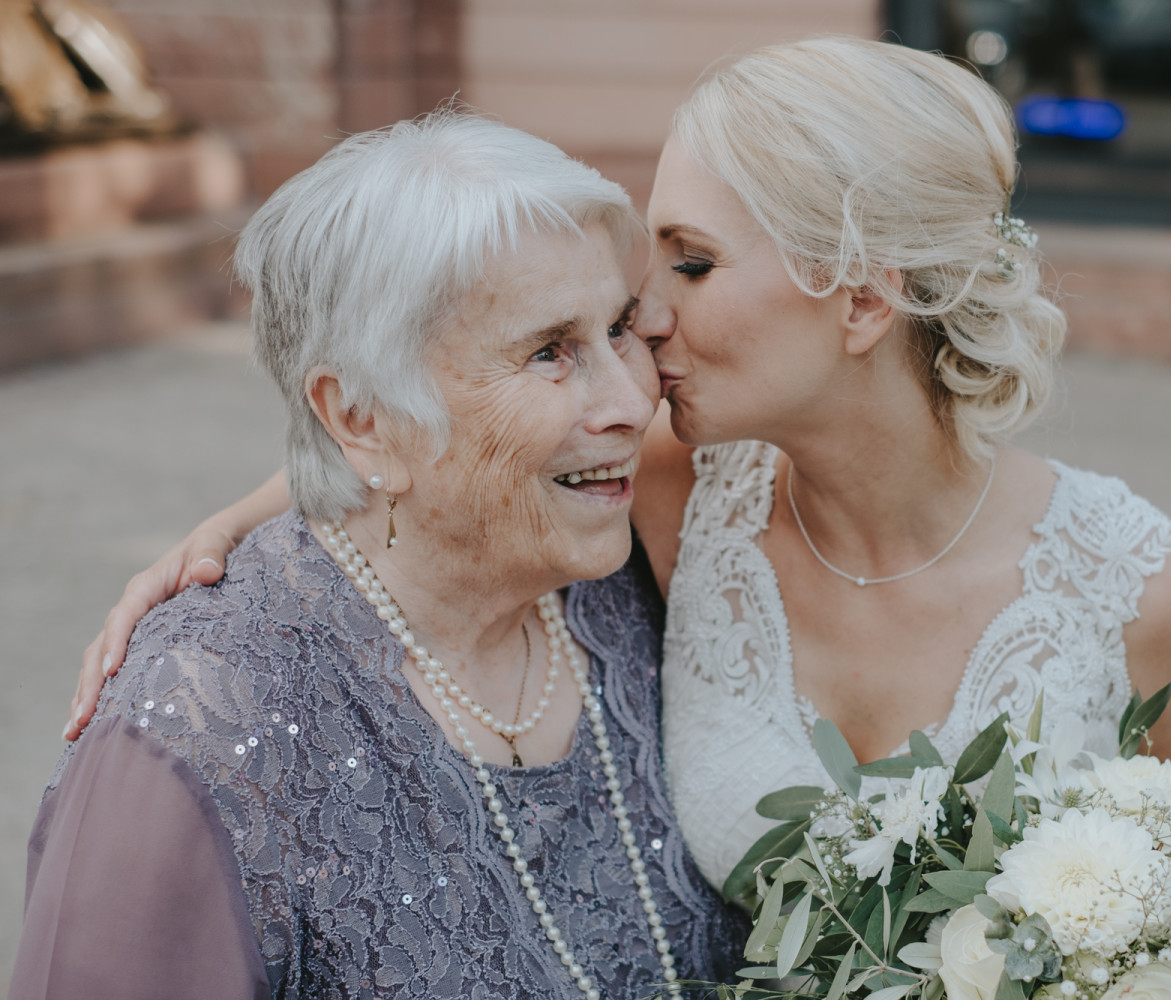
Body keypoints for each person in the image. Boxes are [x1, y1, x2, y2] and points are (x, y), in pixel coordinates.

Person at [66, 38, 1171, 896]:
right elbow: (443, 442)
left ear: (866, 299)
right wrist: (224, 528)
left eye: (693, 263)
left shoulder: (1137, 589)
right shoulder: (682, 494)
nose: (644, 318)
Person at [15, 112, 743, 998]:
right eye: (550, 351)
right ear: (361, 417)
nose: (634, 400)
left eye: (620, 328)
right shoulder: (206, 729)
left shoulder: (628, 574)